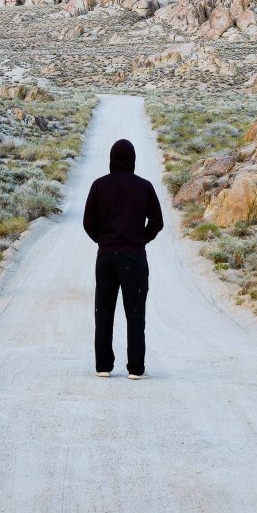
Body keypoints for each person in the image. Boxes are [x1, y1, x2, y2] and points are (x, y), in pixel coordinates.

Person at [81, 136, 164, 379]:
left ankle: (103, 366)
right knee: (135, 313)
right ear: (133, 159)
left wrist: (103, 241)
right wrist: (141, 239)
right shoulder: (144, 186)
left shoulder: (99, 186)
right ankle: (136, 369)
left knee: (104, 311)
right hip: (134, 258)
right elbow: (157, 222)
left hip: (106, 257)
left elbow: (88, 222)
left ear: (111, 159)